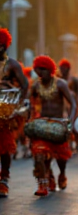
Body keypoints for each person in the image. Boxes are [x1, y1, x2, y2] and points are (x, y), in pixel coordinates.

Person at [30, 55, 76, 196]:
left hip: (58, 125)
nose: (40, 73)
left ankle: (61, 174)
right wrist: (29, 118)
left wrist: (69, 122)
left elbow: (73, 104)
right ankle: (43, 184)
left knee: (61, 158)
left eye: (43, 69)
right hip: (42, 125)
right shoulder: (36, 85)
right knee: (39, 153)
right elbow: (29, 103)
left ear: (50, 70)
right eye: (38, 70)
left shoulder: (60, 84)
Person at [0, 28, 28, 197]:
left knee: (4, 146)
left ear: (5, 45)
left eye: (0, 45)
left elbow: (24, 84)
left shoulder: (12, 65)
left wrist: (17, 104)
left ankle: (4, 179)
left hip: (5, 110)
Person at [58, 58, 78, 154]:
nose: (63, 70)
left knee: (75, 125)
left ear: (68, 68)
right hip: (62, 106)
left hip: (73, 104)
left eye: (65, 68)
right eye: (61, 68)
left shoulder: (74, 80)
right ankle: (66, 144)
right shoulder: (58, 80)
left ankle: (77, 144)